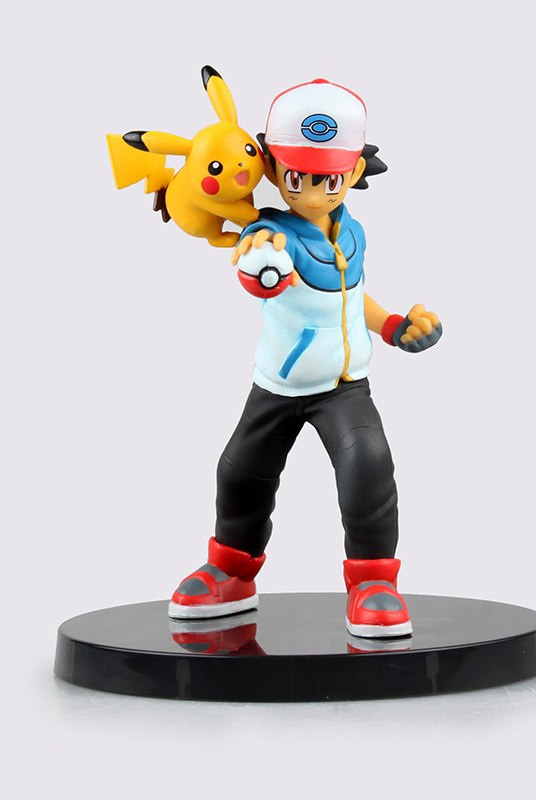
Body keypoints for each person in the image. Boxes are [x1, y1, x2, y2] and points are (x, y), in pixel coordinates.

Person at [168, 79, 442, 637]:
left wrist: (394, 326)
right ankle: (231, 571)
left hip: (345, 387)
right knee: (240, 471)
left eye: (330, 179)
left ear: (355, 172)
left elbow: (349, 296)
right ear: (272, 169)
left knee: (367, 463)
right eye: (298, 178)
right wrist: (262, 268)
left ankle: (373, 581)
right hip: (279, 384)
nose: (314, 194)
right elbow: (259, 262)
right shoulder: (271, 231)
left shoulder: (352, 233)